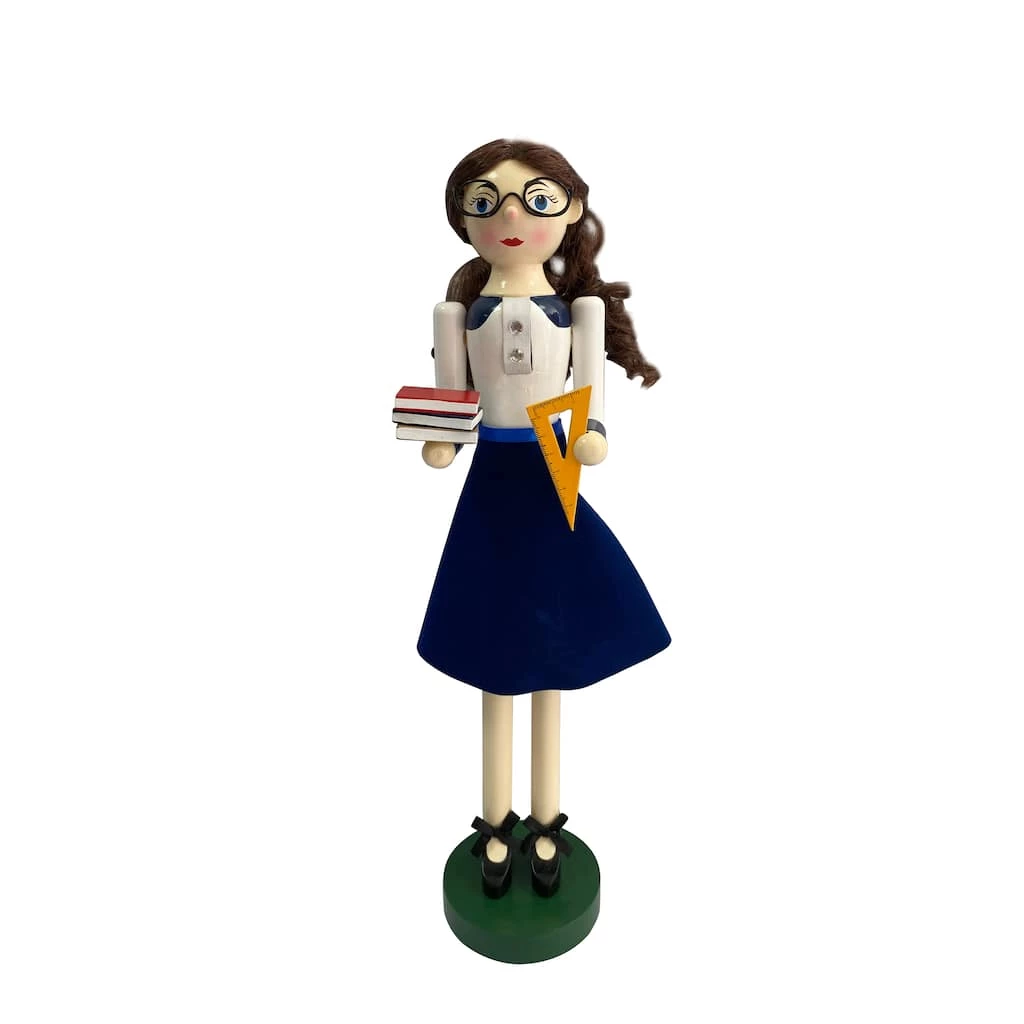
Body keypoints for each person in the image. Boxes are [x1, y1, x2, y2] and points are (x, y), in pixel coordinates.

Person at [416, 139, 671, 899]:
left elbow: (587, 397)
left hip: (552, 473)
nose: (511, 217)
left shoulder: (579, 311)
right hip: (491, 485)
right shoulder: (456, 314)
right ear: (463, 219)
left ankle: (547, 817)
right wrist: (440, 436)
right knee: (496, 651)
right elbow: (452, 396)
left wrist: (592, 433)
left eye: (536, 200)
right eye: (486, 202)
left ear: (572, 208)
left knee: (551, 652)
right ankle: (496, 822)